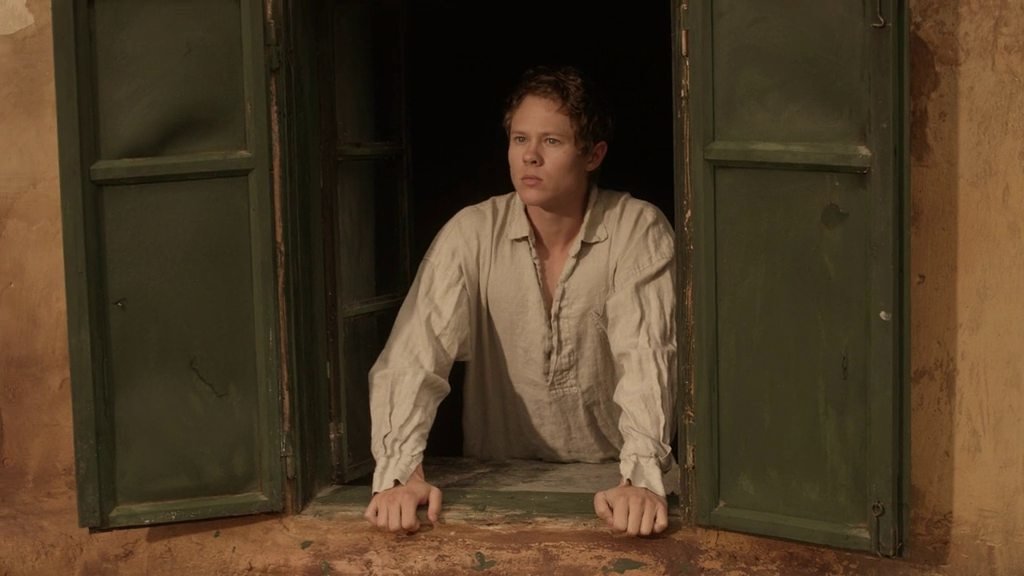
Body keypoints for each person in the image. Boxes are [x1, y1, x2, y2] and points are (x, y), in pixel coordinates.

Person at [363, 65, 677, 537]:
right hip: (496, 482)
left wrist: (641, 479)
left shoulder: (636, 228)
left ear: (593, 155)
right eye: (519, 139)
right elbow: (414, 355)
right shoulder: (473, 231)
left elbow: (648, 356)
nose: (530, 155)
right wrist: (400, 473)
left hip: (612, 484)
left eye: (551, 141)